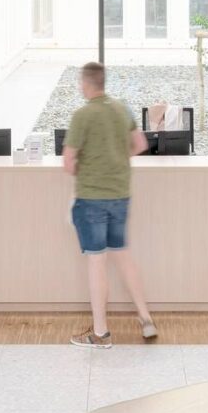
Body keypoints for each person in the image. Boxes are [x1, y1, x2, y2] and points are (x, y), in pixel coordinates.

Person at [63, 62, 157, 349]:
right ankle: (146, 319)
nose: (80, 87)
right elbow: (140, 144)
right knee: (122, 254)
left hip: (92, 197)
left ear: (87, 83)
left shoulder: (82, 115)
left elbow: (68, 163)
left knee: (97, 261)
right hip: (120, 195)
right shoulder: (122, 108)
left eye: (81, 82)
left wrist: (90, 168)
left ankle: (101, 333)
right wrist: (116, 159)